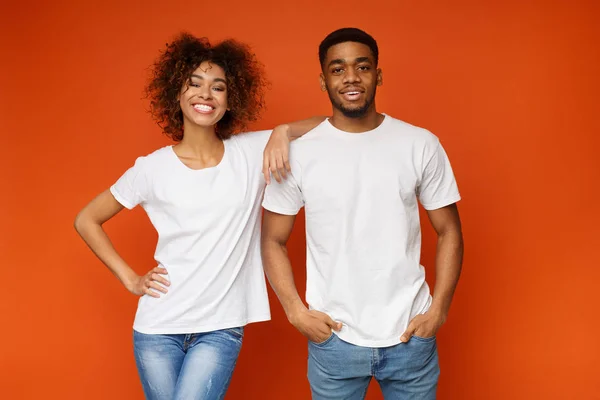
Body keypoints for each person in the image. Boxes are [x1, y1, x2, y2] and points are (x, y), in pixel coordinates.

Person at [74, 32, 323, 400]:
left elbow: (327, 125)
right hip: (156, 329)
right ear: (177, 93)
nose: (205, 94)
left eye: (218, 87)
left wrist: (282, 131)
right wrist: (130, 278)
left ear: (230, 100)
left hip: (220, 328)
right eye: (194, 83)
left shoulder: (251, 151)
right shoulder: (152, 168)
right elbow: (86, 219)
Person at [261, 27, 464, 399]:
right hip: (334, 340)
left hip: (410, 337)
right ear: (323, 81)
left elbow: (450, 230)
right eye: (338, 69)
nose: (351, 77)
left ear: (378, 75)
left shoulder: (420, 144)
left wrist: (438, 311)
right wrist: (295, 311)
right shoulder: (298, 153)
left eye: (362, 67)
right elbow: (272, 239)